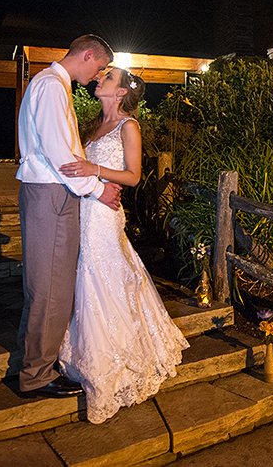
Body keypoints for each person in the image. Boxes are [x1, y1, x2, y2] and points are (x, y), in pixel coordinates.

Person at [56, 65, 190, 424]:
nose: (100, 79)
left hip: (104, 217)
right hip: (85, 209)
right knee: (85, 276)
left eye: (108, 77)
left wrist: (94, 170)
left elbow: (132, 176)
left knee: (103, 276)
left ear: (120, 93)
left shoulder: (128, 126)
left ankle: (115, 359)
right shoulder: (95, 125)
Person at [15, 34, 121, 398]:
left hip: (49, 194)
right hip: (52, 196)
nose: (97, 76)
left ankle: (30, 361)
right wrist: (97, 189)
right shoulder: (51, 87)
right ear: (87, 55)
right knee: (51, 287)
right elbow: (61, 154)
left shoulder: (51, 84)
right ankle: (37, 375)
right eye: (100, 67)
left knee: (47, 284)